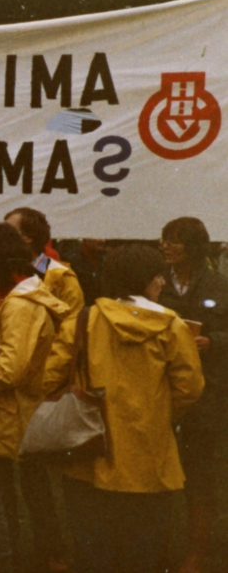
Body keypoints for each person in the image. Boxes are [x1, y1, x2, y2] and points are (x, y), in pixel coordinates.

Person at [44, 244, 204, 573]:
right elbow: (190, 386)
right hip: (149, 452)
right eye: (157, 275)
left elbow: (50, 377)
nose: (163, 282)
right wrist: (159, 415)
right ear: (142, 279)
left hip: (89, 451)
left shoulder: (83, 320)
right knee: (143, 549)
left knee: (94, 548)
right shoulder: (172, 325)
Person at [0, 206, 84, 572]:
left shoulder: (58, 275)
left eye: (8, 229)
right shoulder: (2, 273)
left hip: (32, 389)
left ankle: (50, 548)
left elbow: (68, 337)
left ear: (26, 238)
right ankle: (10, 546)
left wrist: (43, 381)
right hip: (5, 384)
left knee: (34, 478)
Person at [157, 217, 228, 573]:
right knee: (158, 473)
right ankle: (158, 547)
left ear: (195, 246)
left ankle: (196, 552)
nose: (167, 246)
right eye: (165, 239)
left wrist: (212, 341)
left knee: (199, 474)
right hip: (159, 388)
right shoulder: (155, 280)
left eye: (175, 240)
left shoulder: (218, 283)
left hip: (205, 393)